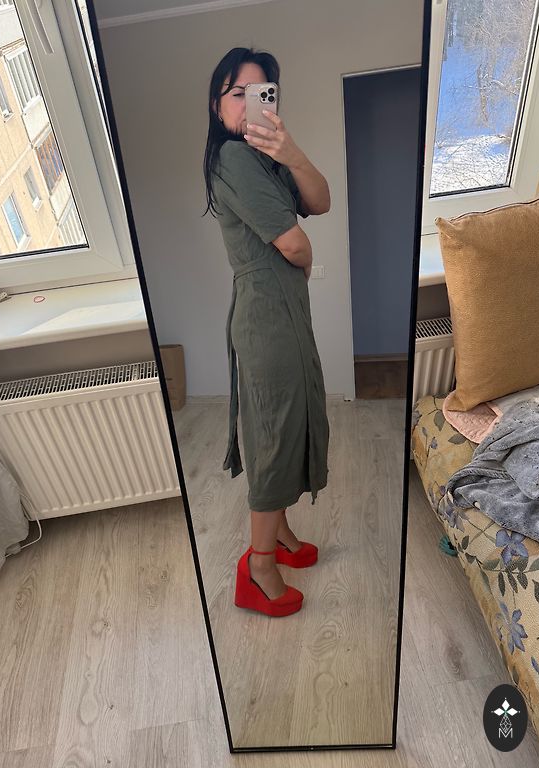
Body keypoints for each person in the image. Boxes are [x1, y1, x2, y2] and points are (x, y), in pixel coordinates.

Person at [203, 47, 330, 617]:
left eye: (260, 94)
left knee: (288, 418)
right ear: (217, 105)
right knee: (276, 432)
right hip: (266, 315)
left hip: (282, 312)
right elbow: (294, 242)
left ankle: (278, 535)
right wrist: (305, 261)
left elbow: (320, 200)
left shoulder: (267, 160)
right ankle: (258, 567)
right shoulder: (232, 157)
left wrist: (291, 150)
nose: (248, 103)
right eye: (237, 93)